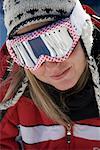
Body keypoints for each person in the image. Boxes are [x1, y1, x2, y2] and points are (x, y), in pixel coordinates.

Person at [0, 0, 100, 149]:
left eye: (59, 42)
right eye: (30, 52)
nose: (50, 64)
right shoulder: (9, 94)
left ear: (82, 32)